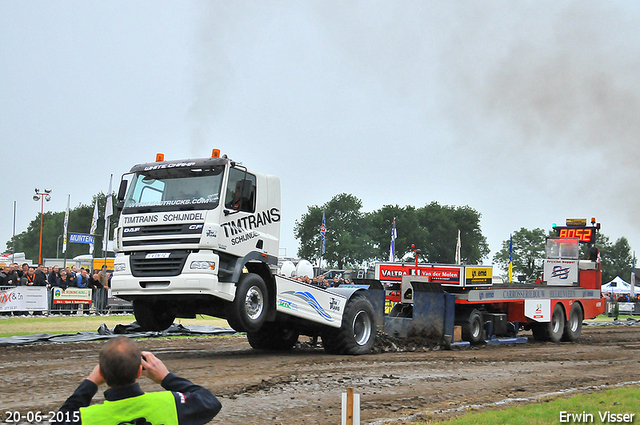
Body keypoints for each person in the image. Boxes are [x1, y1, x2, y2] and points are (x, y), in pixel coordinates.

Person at [56, 336, 221, 424]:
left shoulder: (87, 418)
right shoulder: (171, 404)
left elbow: (60, 419)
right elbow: (210, 401)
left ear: (102, 373)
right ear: (138, 372)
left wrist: (90, 383)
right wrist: (166, 377)